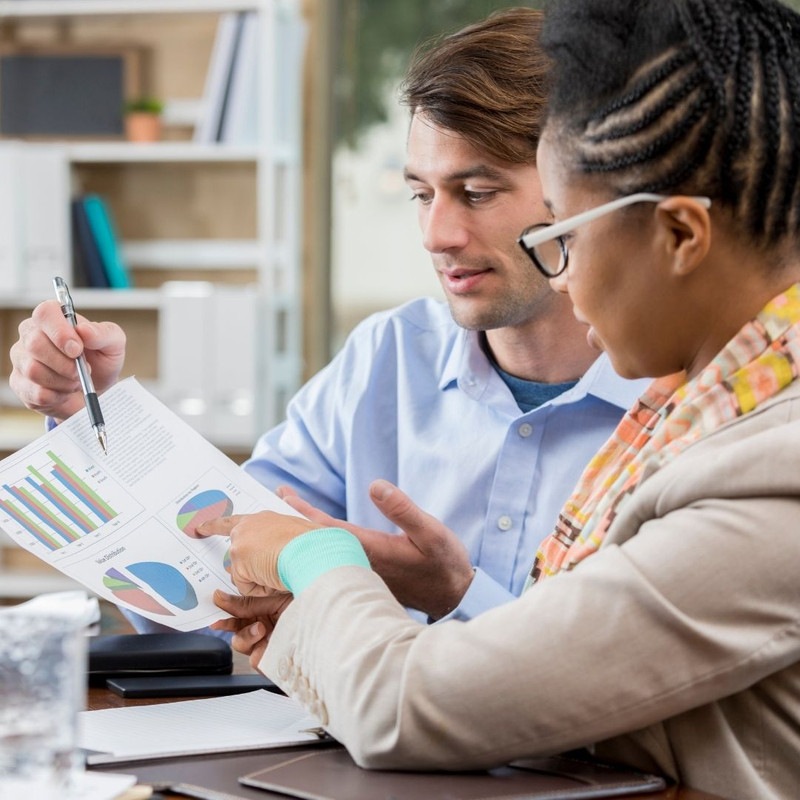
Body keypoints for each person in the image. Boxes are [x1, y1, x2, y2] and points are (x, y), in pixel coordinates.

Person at [196, 1, 800, 798]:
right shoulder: (703, 406)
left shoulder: (772, 470)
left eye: (568, 237)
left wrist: (312, 557)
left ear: (682, 236)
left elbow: (401, 706)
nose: (562, 271)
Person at [8, 9, 644, 629]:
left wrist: (454, 595)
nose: (436, 235)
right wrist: (93, 414)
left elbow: (630, 688)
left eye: (477, 194)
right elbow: (211, 577)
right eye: (422, 194)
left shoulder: (685, 406)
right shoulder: (387, 358)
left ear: (585, 192)